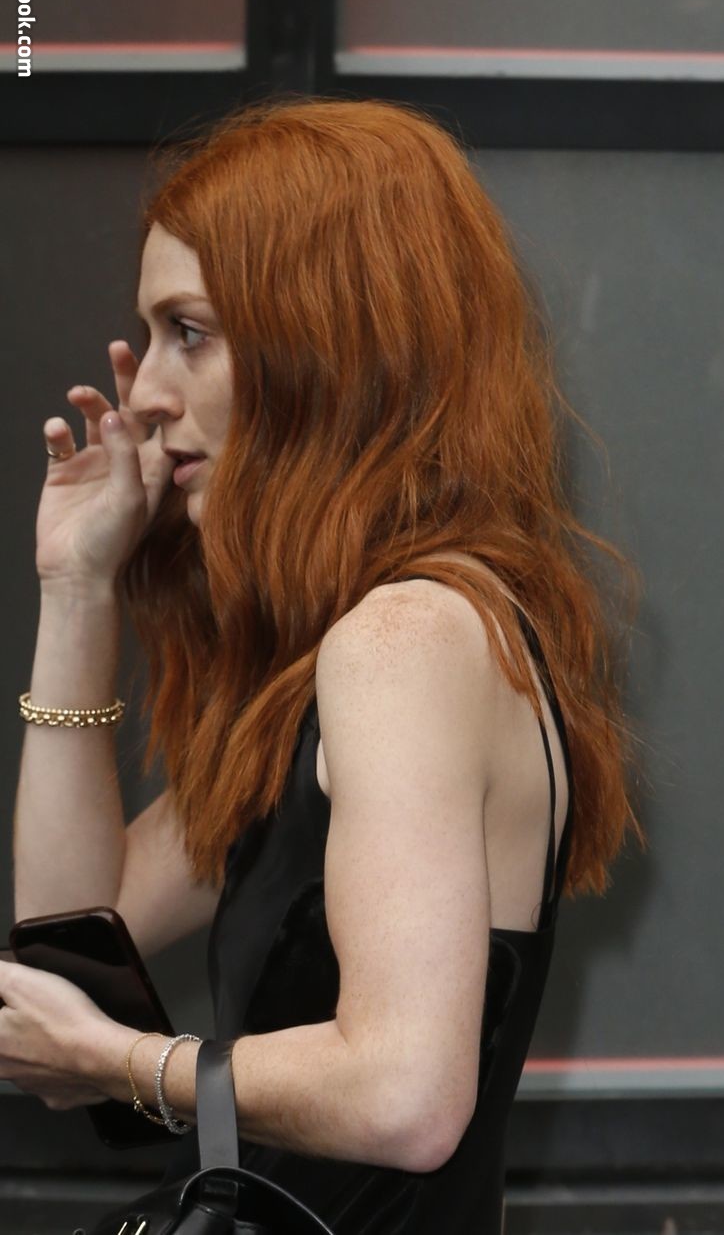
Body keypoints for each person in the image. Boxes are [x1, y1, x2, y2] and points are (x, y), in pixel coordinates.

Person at [0, 98, 636, 1232]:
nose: (145, 393)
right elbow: (68, 951)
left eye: (190, 332)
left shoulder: (403, 640)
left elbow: (405, 1096)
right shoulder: (369, 648)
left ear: (329, 344)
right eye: (150, 335)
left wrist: (121, 1061)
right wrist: (77, 589)